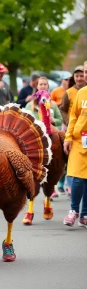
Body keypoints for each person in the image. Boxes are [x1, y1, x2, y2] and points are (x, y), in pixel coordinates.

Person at [63, 60, 87, 228]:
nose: (86, 75)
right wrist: (68, 137)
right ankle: (73, 211)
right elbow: (73, 117)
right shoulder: (81, 93)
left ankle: (84, 214)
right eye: (85, 71)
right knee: (78, 179)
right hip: (80, 141)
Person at [59, 66, 86, 195]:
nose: (79, 78)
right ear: (73, 78)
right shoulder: (69, 92)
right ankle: (67, 184)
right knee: (70, 158)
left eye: (82, 75)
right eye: (77, 76)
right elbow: (62, 108)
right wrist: (68, 121)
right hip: (71, 129)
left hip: (83, 131)